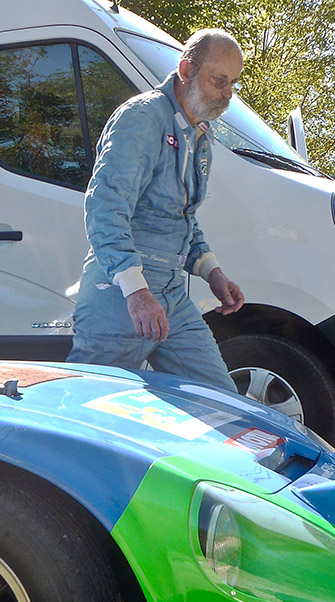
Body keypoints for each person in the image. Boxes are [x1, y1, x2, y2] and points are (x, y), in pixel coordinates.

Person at [66, 29, 245, 393]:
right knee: (88, 413)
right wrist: (137, 293)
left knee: (221, 401)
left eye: (233, 84)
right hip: (119, 297)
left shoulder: (201, 134)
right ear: (185, 70)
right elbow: (105, 206)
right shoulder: (142, 117)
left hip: (171, 296)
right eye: (219, 80)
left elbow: (183, 217)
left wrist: (213, 273)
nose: (227, 94)